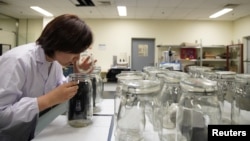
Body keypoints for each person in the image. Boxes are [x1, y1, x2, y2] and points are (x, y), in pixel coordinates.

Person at [0, 14, 95, 141]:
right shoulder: (17, 60)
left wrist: (78, 74)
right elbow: (2, 115)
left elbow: (61, 89)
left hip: (33, 132)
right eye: (75, 51)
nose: (77, 58)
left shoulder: (54, 62)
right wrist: (48, 100)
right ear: (60, 43)